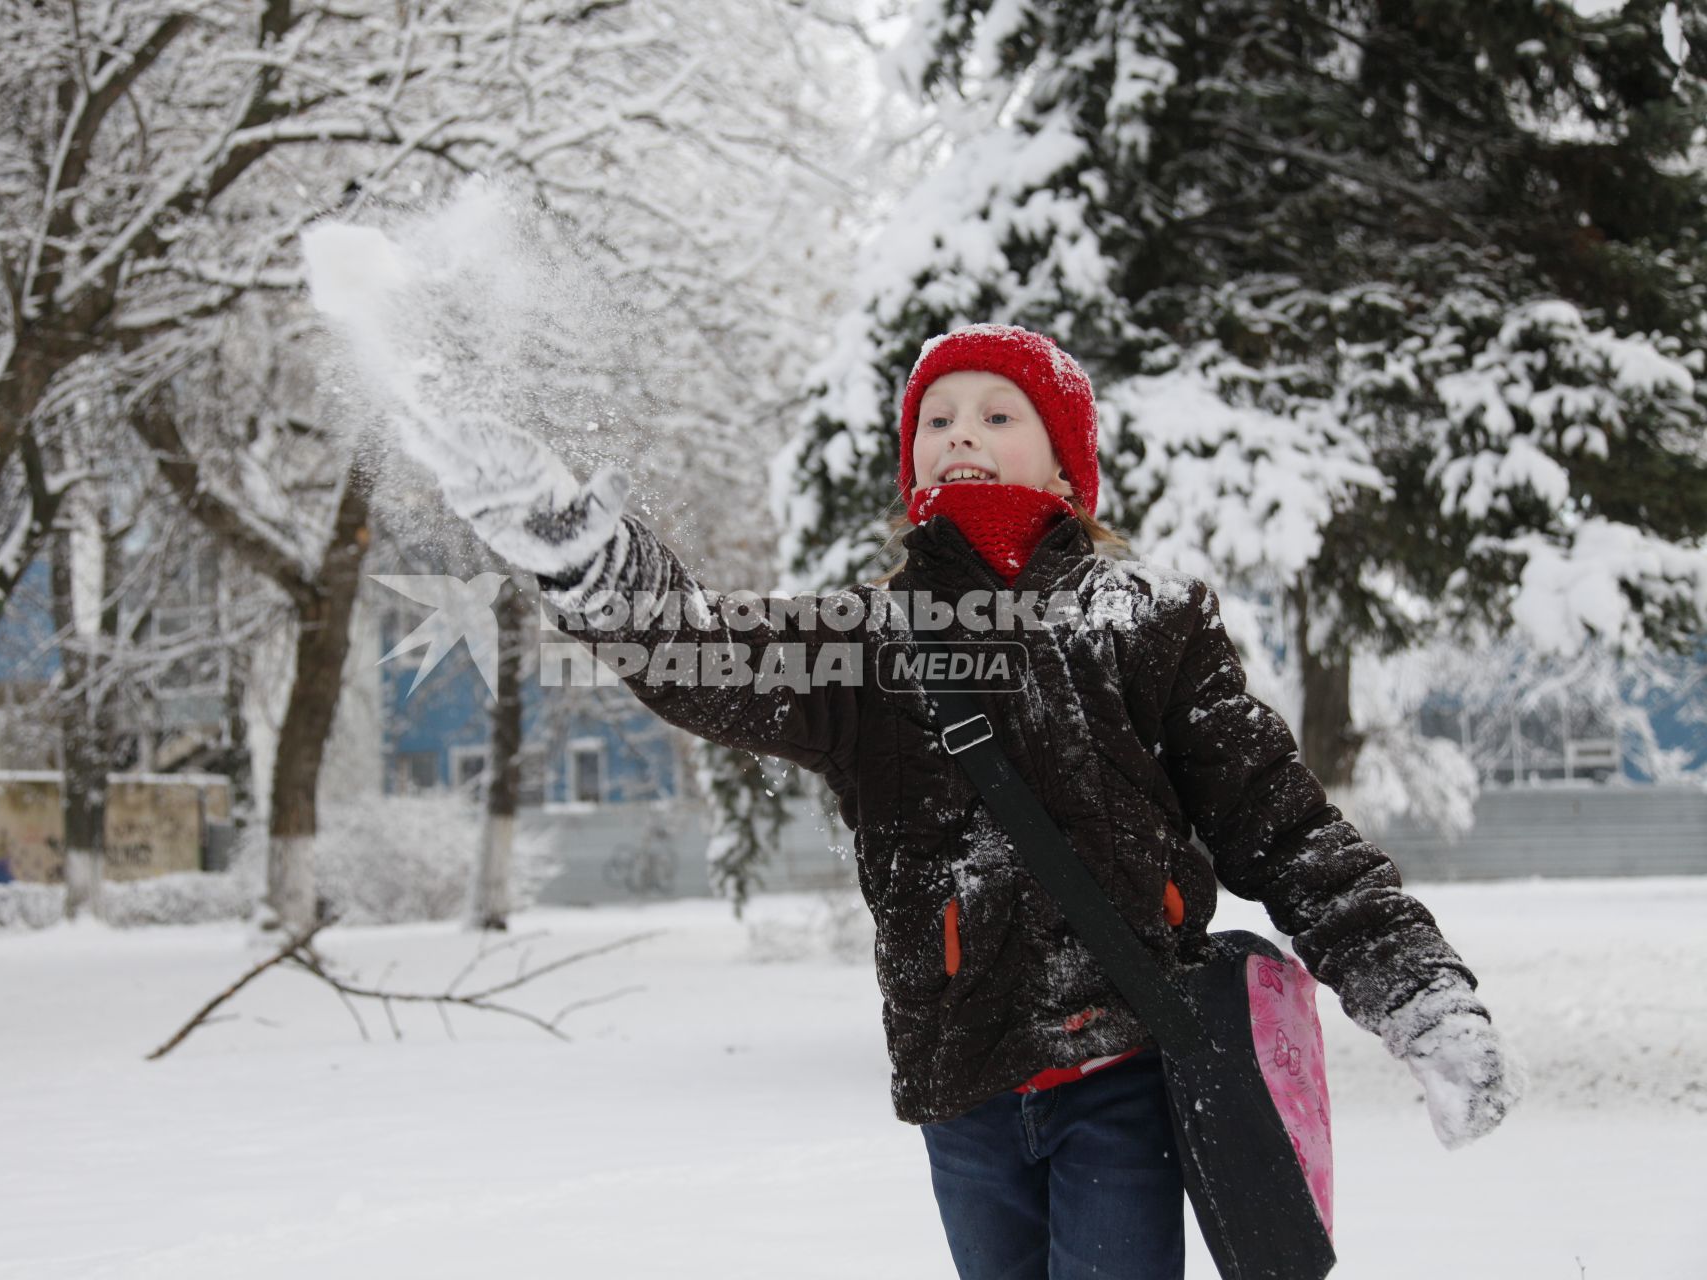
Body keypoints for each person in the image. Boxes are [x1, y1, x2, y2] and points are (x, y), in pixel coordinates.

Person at [424, 322, 1524, 1279]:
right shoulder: (868, 641)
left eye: (999, 412)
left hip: (1124, 1064)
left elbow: (1286, 828)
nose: (960, 429)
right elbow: (701, 652)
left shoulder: (1149, 621)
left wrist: (1418, 991)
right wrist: (579, 550)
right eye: (936, 415)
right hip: (963, 1084)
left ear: (1064, 463)